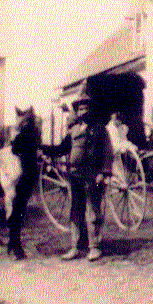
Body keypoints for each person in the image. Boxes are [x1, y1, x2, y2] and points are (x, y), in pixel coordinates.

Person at [40, 92, 113, 262]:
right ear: (77, 111)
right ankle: (75, 247)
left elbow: (108, 152)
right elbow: (61, 149)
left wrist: (104, 172)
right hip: (74, 176)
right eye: (80, 108)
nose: (83, 111)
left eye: (86, 107)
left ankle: (94, 247)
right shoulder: (73, 131)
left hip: (92, 176)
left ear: (91, 109)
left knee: (93, 211)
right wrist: (43, 149)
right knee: (75, 211)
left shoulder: (100, 129)